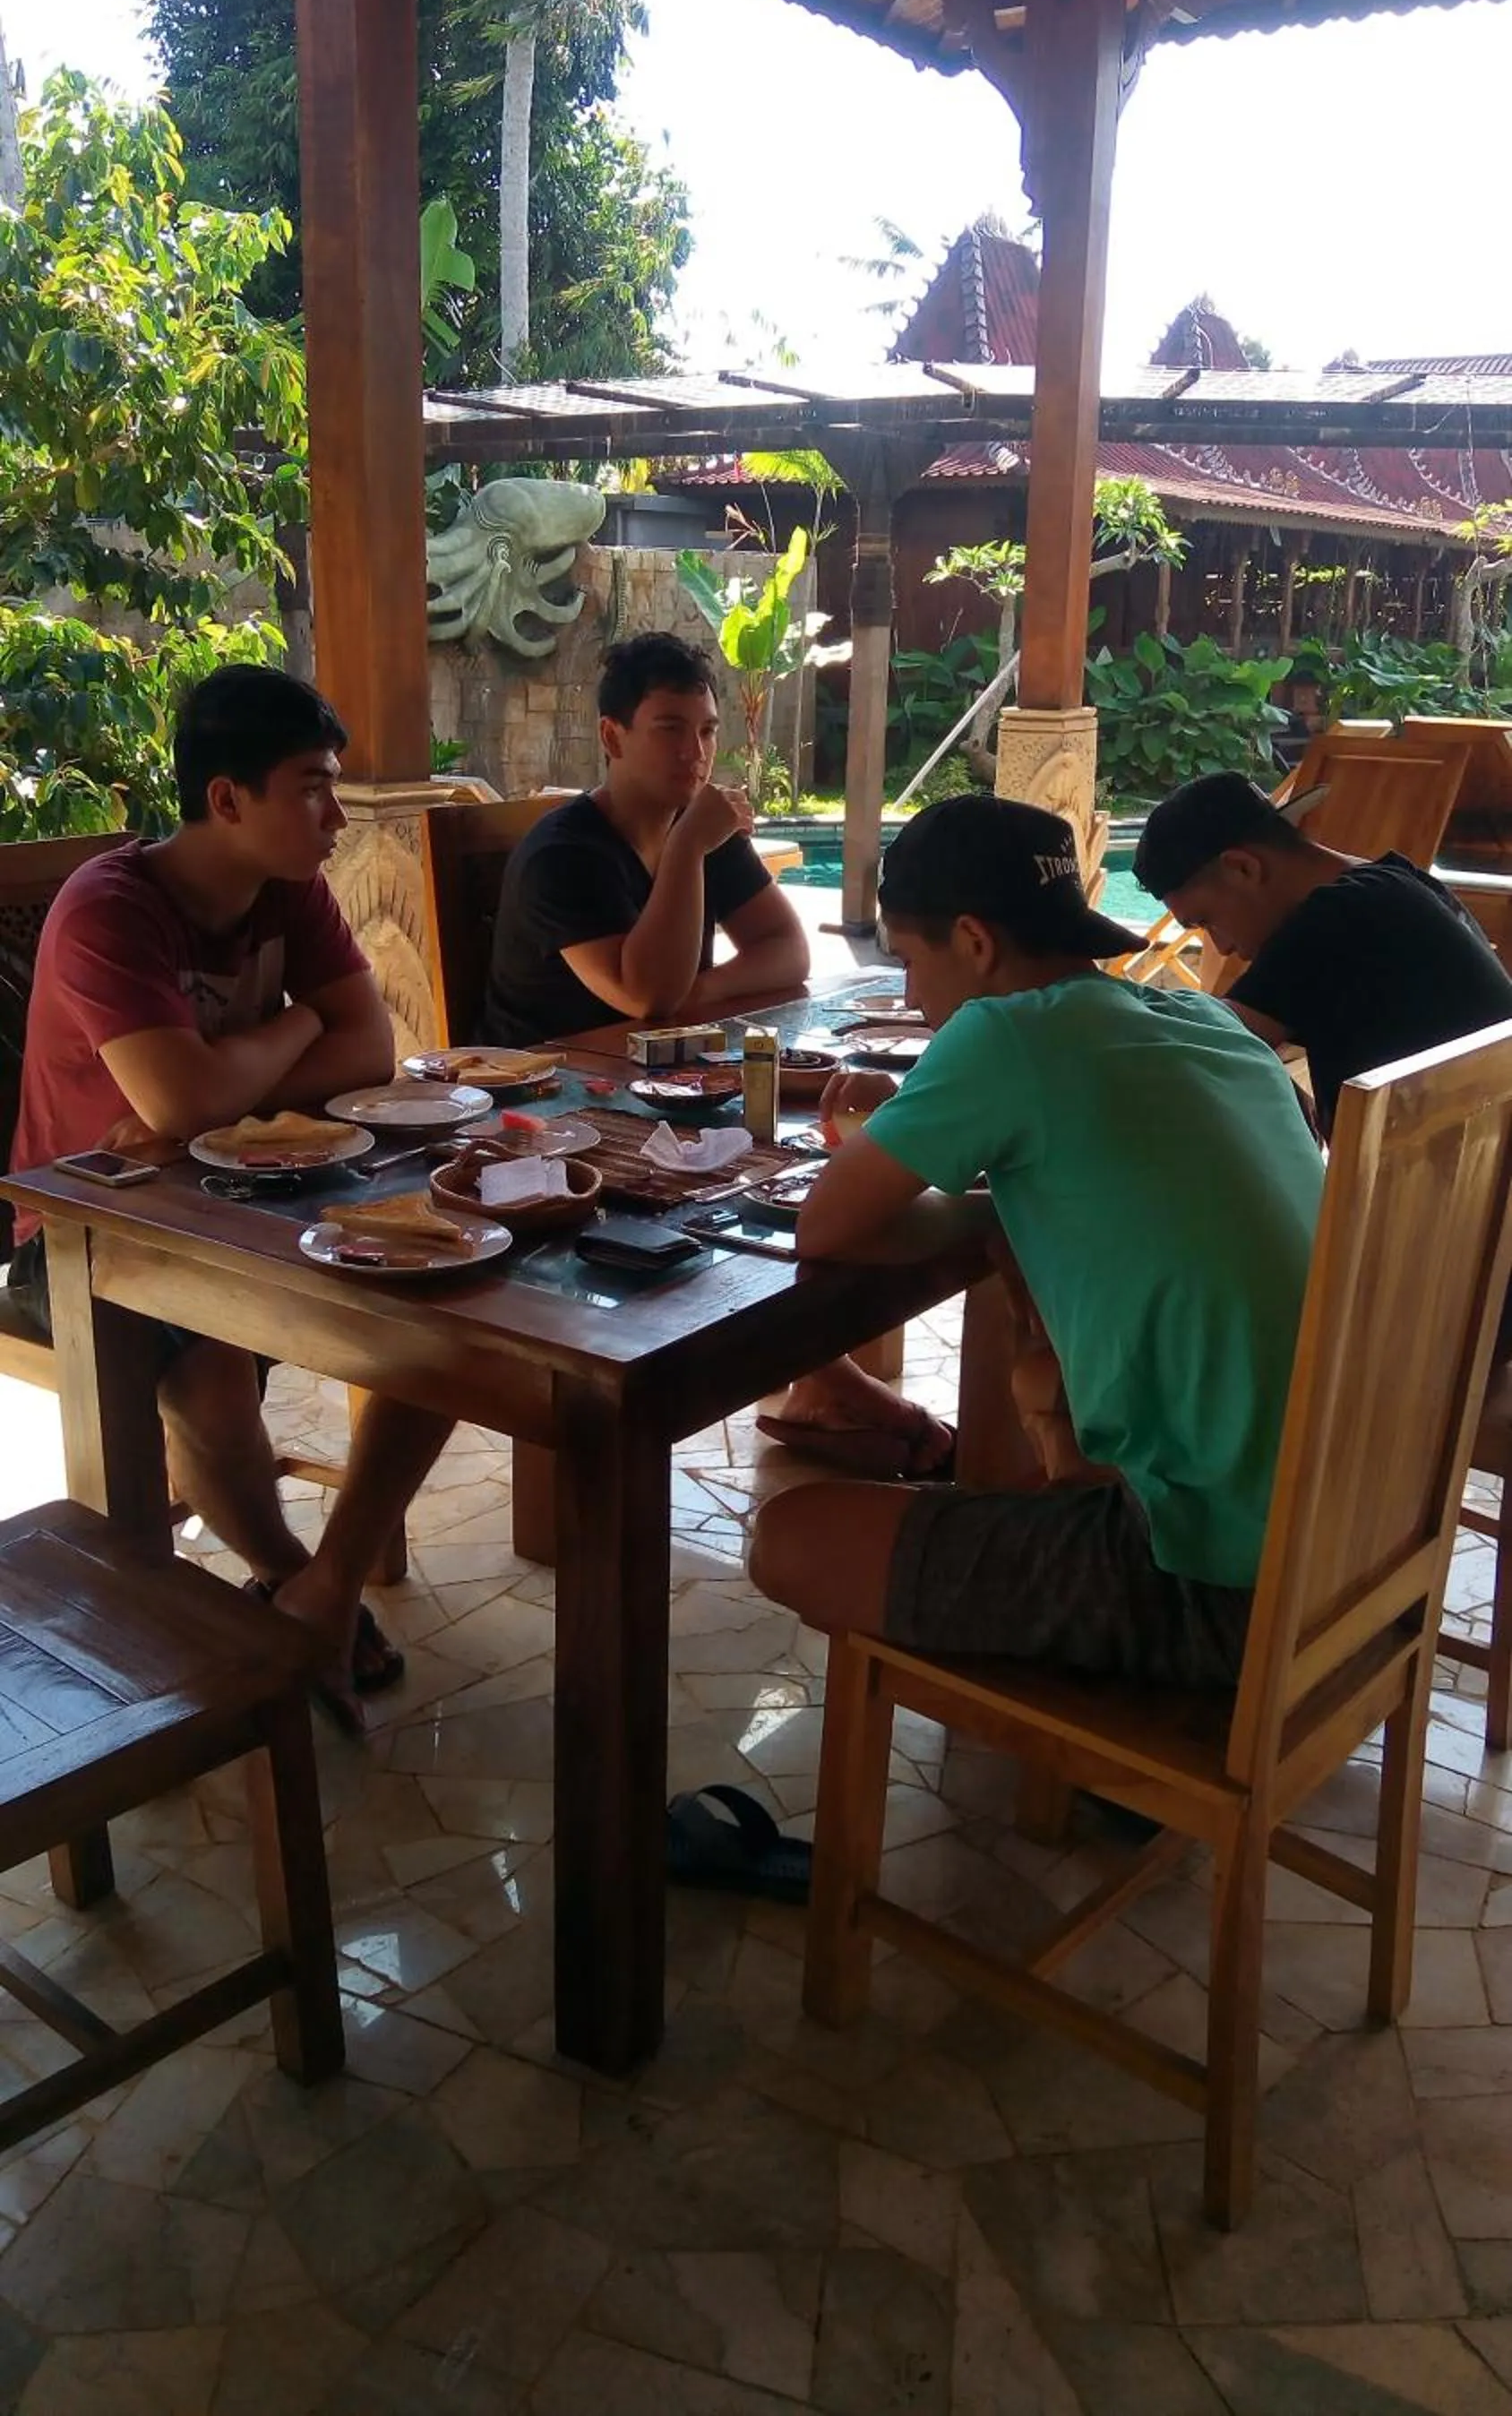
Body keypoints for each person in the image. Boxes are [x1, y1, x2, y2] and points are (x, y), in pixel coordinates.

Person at [748, 795, 1323, 1687]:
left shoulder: (1004, 1032)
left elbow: (825, 1223)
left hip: (1221, 1592)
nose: (907, 995)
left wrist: (950, 1186)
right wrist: (1003, 1209)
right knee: (1011, 1468)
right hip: (1344, 1552)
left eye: (907, 960)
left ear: (974, 942)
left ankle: (1092, 1713)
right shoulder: (1207, 1023)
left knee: (788, 1537)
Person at [8, 665, 453, 1731]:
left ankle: (322, 1590)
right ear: (225, 800)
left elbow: (370, 1047)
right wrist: (294, 1034)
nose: (337, 817)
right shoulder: (109, 908)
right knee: (209, 1388)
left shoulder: (286, 888)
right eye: (313, 787)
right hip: (79, 1237)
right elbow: (182, 1094)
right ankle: (300, 1583)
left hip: (246, 1199)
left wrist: (254, 1060)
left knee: (448, 1290)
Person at [1133, 770, 1512, 1141]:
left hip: (1427, 1191)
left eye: (1206, 921)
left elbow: (1190, 1047)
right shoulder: (1397, 882)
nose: (1223, 947)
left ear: (1243, 868)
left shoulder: (1332, 917)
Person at [480, 632, 809, 1045]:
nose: (696, 752)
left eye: (707, 731)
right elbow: (649, 996)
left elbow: (789, 949)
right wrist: (687, 847)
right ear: (612, 737)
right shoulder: (563, 855)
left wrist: (702, 990)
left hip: (661, 1078)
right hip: (549, 1086)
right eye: (671, 729)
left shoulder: (701, 827)